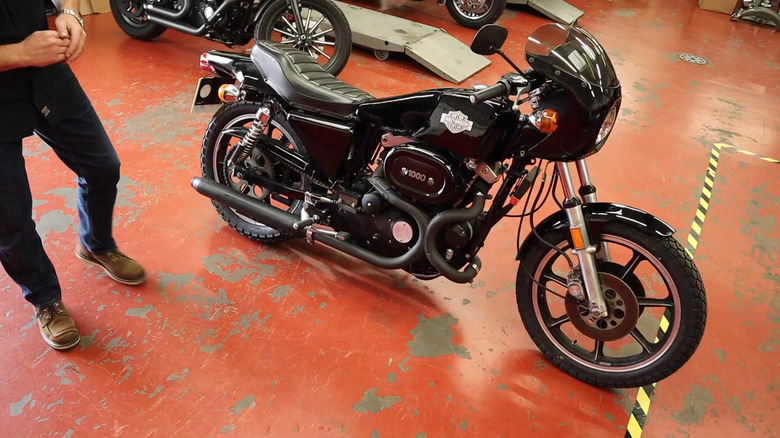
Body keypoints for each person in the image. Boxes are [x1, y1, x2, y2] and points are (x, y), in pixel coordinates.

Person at [0, 0, 146, 350]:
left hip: (46, 72)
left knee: (101, 166)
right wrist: (19, 53)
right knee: (9, 217)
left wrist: (69, 13)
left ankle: (96, 244)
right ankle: (45, 299)